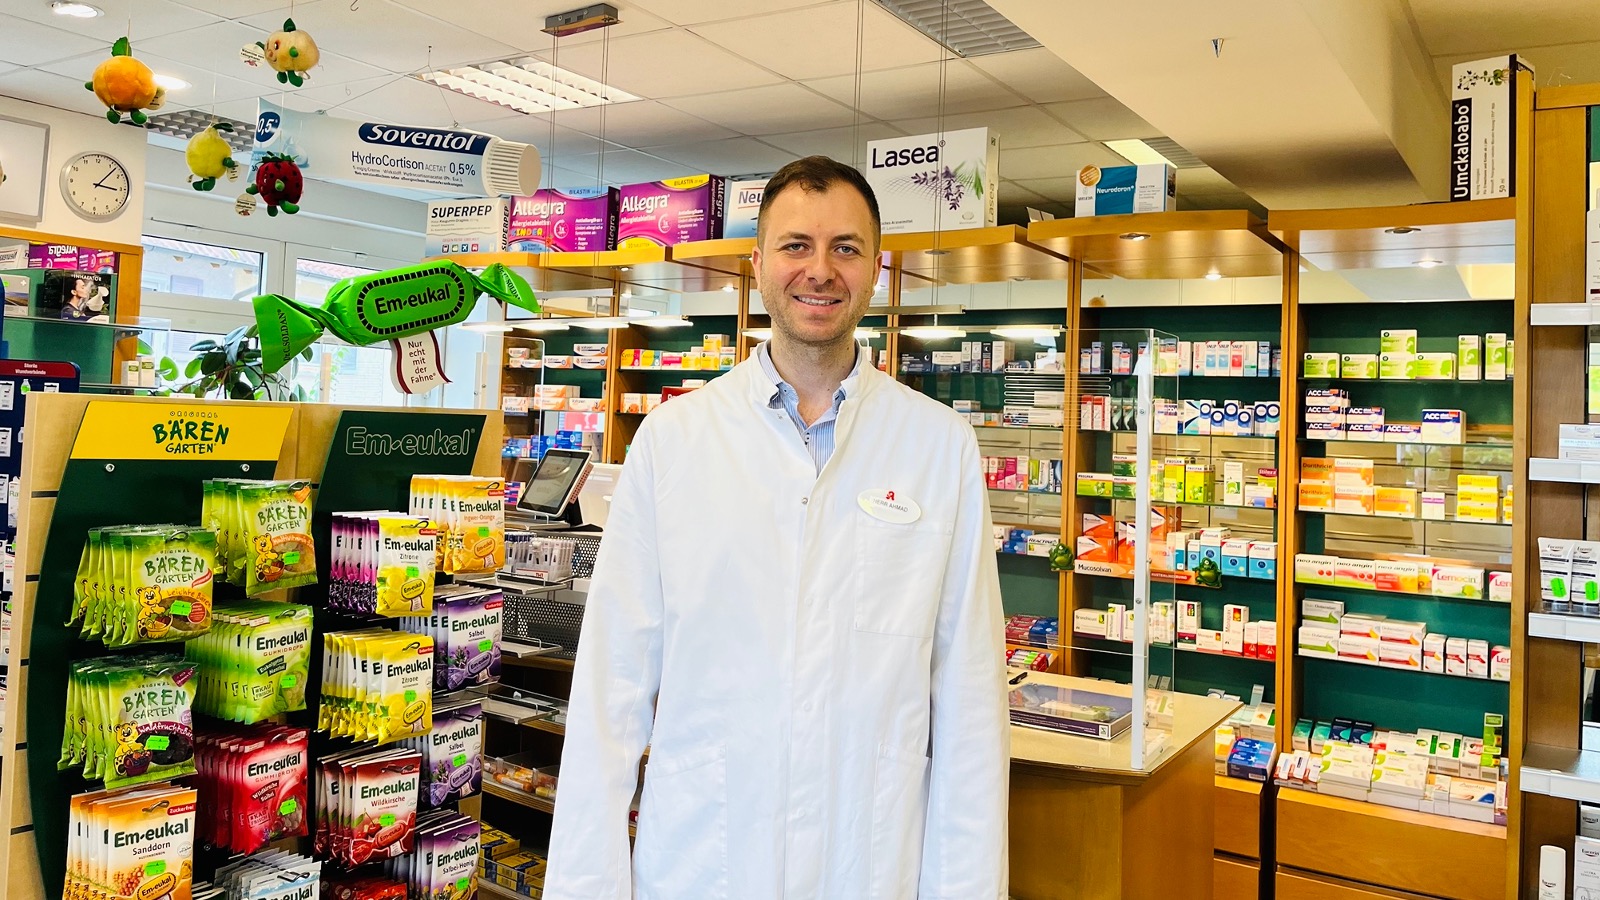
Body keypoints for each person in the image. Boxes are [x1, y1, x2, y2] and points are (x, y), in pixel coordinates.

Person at [544, 156, 1009, 899]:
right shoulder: (673, 441)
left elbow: (970, 703)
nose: (820, 270)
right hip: (705, 862)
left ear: (877, 269)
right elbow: (612, 689)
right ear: (757, 264)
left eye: (845, 248)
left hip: (868, 864)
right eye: (796, 245)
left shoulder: (938, 445)